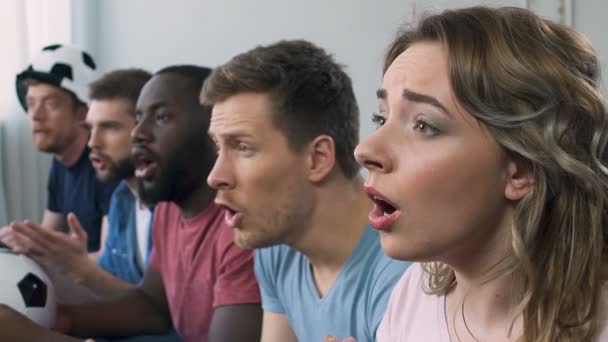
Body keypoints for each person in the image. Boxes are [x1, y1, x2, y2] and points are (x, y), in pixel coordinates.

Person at [352, 6, 608, 342]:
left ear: (521, 170)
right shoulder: (415, 294)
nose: (365, 151)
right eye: (381, 119)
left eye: (424, 125)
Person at [0, 65, 262, 342]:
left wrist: (38, 338)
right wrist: (57, 319)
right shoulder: (168, 209)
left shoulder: (243, 230)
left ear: (214, 135)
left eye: (161, 117)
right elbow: (152, 307)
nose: (138, 133)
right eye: (138, 118)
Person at [201, 40, 410, 342]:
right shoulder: (277, 245)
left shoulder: (403, 277)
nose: (215, 176)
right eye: (218, 147)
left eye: (242, 147)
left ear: (318, 158)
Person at [0, 44, 118, 254]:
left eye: (51, 104)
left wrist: (48, 252)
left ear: (84, 114)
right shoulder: (60, 161)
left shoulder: (106, 167)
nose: (35, 115)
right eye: (30, 103)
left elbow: (110, 264)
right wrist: (20, 240)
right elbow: (49, 232)